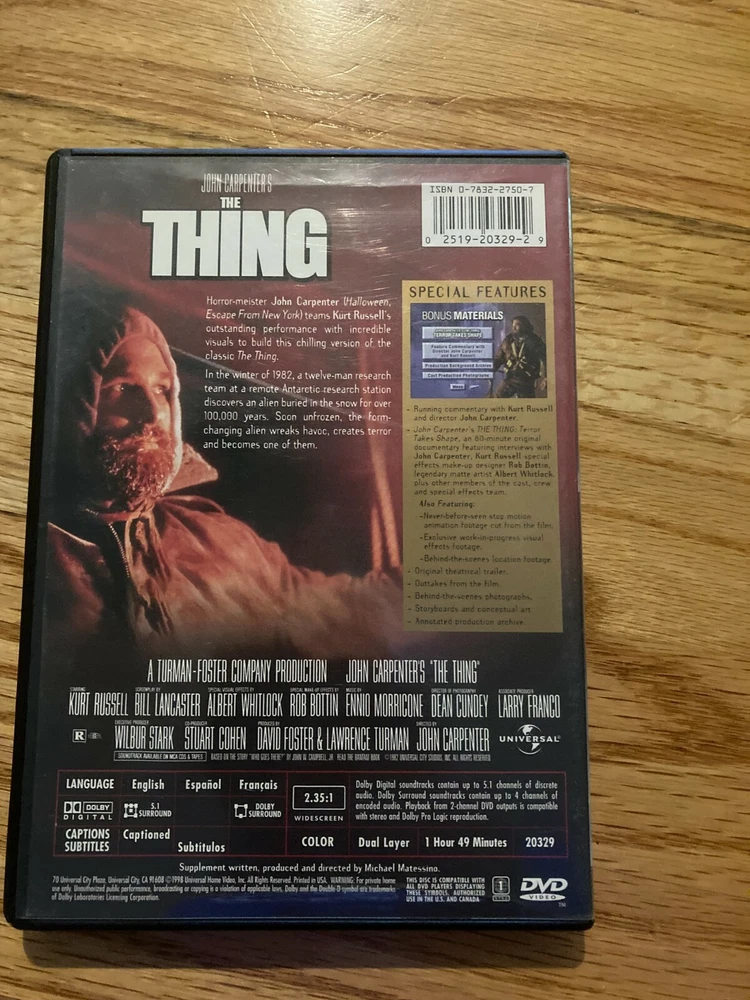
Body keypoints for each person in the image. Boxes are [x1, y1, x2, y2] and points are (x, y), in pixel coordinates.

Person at [45, 306, 402, 658]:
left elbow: (338, 606)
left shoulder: (219, 540)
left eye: (162, 389)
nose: (153, 414)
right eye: (122, 387)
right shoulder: (40, 556)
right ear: (74, 401)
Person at [492, 316, 547, 398]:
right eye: (513, 325)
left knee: (528, 404)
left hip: (527, 381)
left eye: (517, 325)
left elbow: (547, 359)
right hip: (510, 379)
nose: (514, 327)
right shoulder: (508, 340)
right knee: (498, 397)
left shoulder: (535, 341)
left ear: (525, 326)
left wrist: (547, 378)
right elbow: (499, 358)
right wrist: (490, 370)